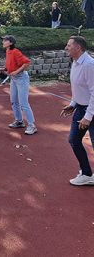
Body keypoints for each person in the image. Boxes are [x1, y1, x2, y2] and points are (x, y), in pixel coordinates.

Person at [60, 36, 94, 186]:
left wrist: (88, 116)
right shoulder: (75, 62)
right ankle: (86, 173)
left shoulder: (89, 65)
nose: (66, 48)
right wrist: (73, 103)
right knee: (74, 140)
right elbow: (79, 88)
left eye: (69, 45)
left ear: (78, 47)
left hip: (91, 110)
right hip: (80, 107)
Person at [0, 35, 37, 135]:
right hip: (14, 79)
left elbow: (26, 63)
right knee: (14, 101)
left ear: (11, 43)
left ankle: (32, 125)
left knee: (23, 103)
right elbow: (12, 64)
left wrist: (16, 71)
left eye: (5, 40)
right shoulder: (8, 51)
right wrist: (5, 69)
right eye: (3, 40)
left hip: (21, 79)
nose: (3, 41)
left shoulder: (16, 51)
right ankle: (19, 121)